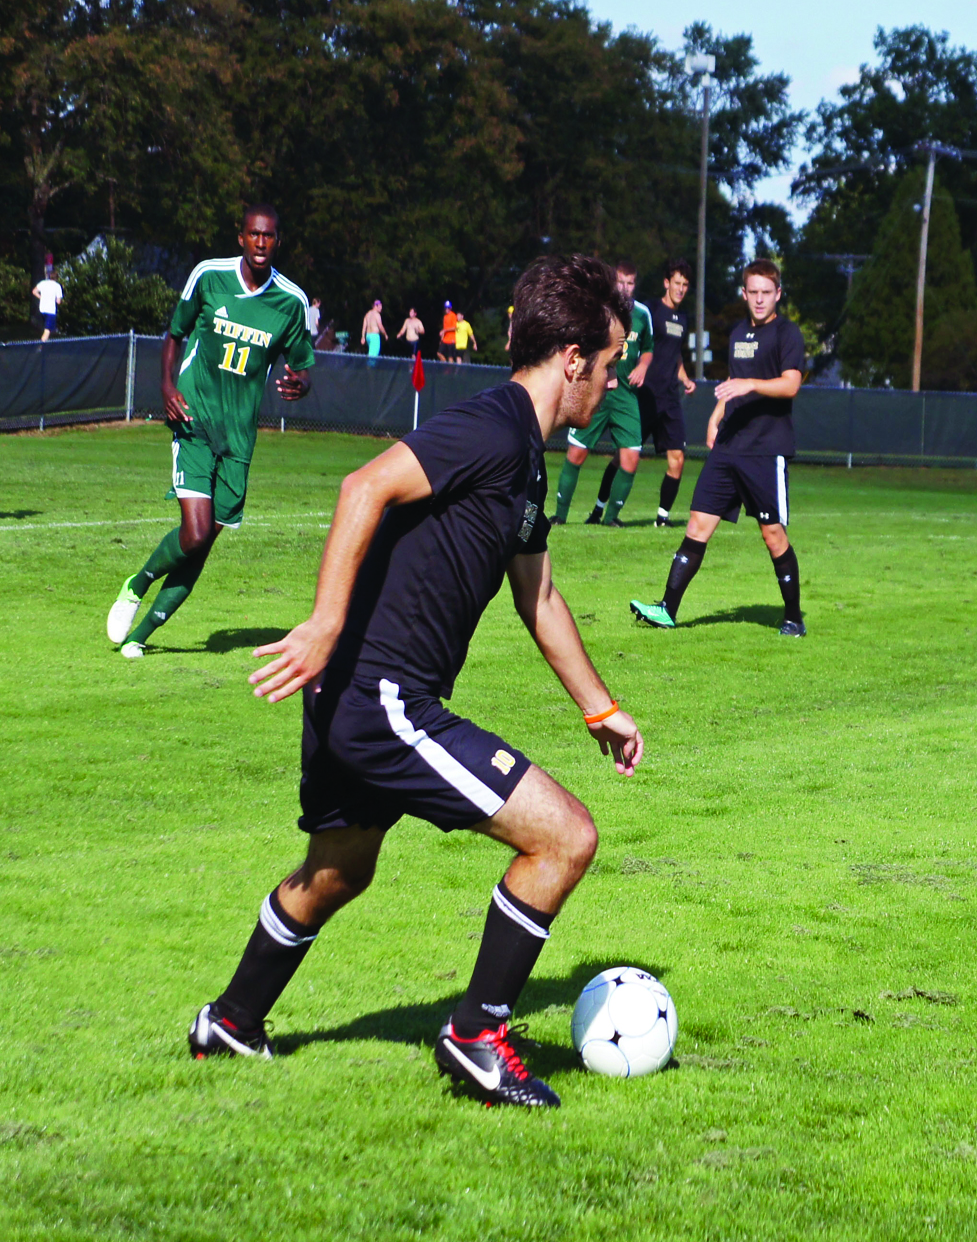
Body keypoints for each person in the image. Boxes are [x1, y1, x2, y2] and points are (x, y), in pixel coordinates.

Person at [187, 254, 642, 1111]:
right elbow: (366, 485)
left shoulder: (525, 456)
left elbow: (537, 594)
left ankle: (232, 1019)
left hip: (354, 698)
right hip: (380, 694)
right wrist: (324, 623)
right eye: (610, 363)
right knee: (565, 838)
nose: (611, 383)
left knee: (338, 870)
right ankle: (476, 1034)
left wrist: (602, 708)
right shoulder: (497, 425)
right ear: (574, 357)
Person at [106, 205, 314, 658]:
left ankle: (140, 636)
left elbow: (301, 365)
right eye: (254, 234)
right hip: (194, 416)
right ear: (240, 237)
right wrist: (165, 385)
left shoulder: (291, 302)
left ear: (278, 242)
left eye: (270, 236)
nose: (261, 243)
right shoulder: (208, 276)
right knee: (196, 532)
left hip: (239, 438)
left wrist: (299, 383)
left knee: (200, 547)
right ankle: (136, 584)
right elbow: (175, 333)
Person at [631, 259, 807, 636]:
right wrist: (716, 415)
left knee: (772, 534)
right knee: (697, 521)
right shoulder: (739, 333)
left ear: (778, 294)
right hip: (728, 446)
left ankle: (793, 616)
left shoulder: (788, 334)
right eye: (753, 292)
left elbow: (791, 384)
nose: (759, 300)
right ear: (744, 293)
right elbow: (734, 383)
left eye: (766, 292)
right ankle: (667, 608)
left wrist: (750, 385)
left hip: (765, 448)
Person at [593, 259, 695, 528]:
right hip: (644, 396)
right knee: (622, 457)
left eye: (685, 285)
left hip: (670, 399)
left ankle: (662, 519)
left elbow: (676, 354)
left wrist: (685, 378)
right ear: (666, 283)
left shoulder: (683, 319)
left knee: (678, 459)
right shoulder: (649, 310)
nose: (681, 289)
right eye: (677, 283)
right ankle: (599, 508)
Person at [553, 262, 648, 527]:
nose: (625, 288)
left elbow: (648, 347)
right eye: (621, 282)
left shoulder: (642, 314)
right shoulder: (598, 311)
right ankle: (560, 515)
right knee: (576, 454)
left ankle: (612, 519)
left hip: (625, 395)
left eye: (630, 283)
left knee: (631, 456)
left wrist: (643, 364)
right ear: (613, 282)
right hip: (596, 388)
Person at [31, 263, 62, 341]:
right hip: (50, 310)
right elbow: (58, 301)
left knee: (50, 328)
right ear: (56, 278)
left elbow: (34, 291)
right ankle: (41, 346)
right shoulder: (57, 286)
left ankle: (46, 343)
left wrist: (41, 297)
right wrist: (52, 299)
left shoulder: (43, 283)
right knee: (47, 330)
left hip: (42, 309)